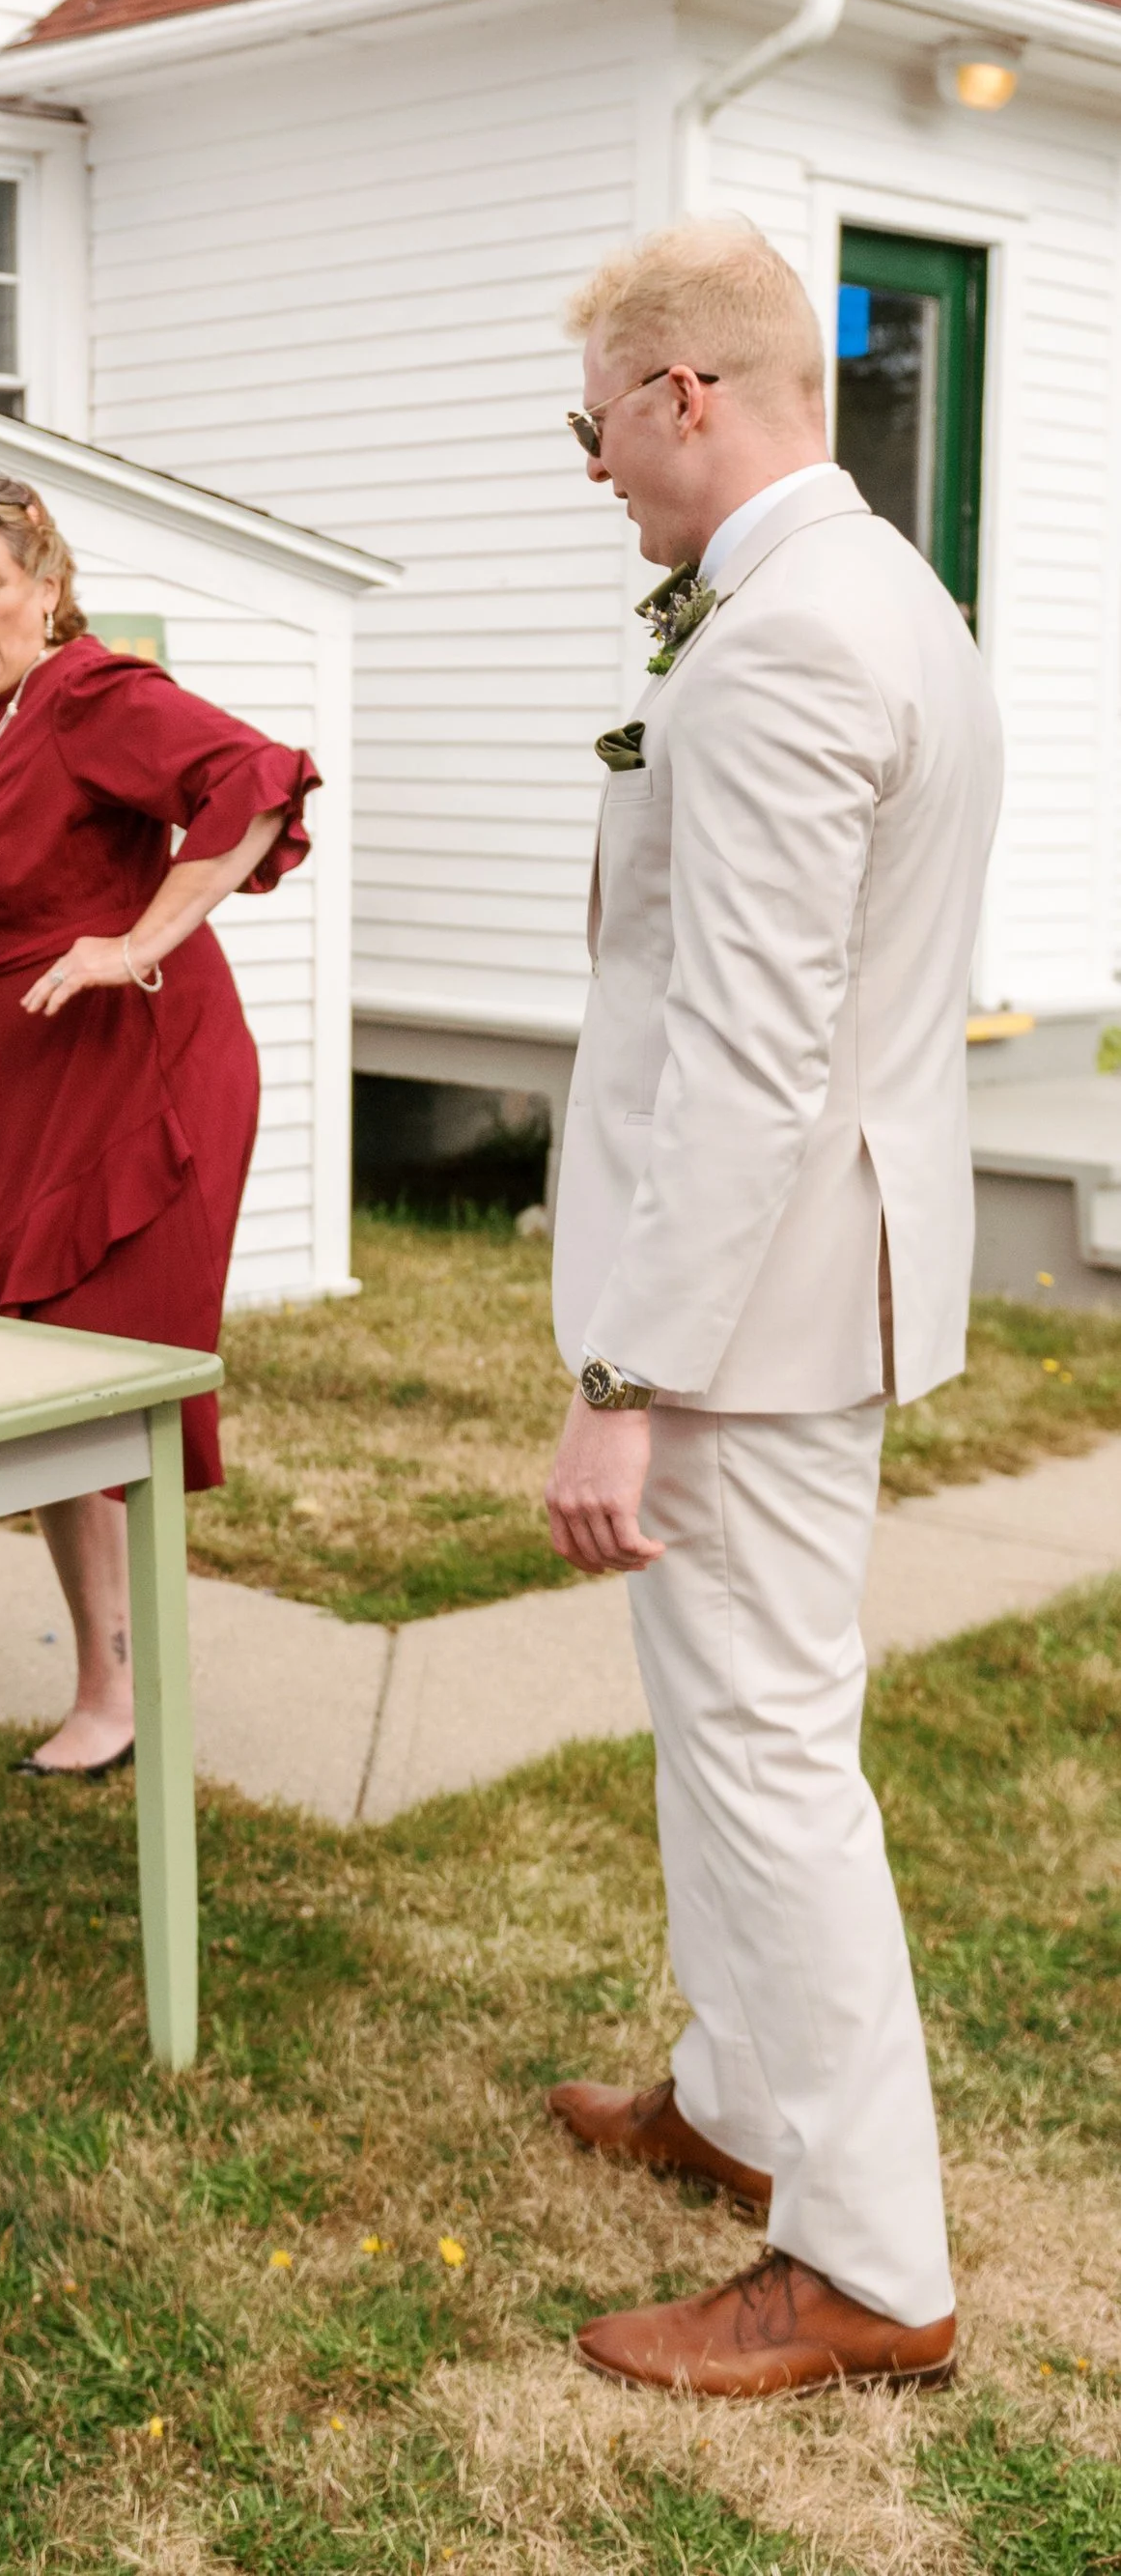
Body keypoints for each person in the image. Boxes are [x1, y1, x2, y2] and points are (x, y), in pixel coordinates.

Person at [540, 221, 1001, 2398]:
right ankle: (735, 2100)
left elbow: (750, 1053)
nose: (596, 472)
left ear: (685, 395)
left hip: (754, 1307)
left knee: (768, 1754)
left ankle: (865, 2258)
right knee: (725, 1730)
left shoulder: (787, 642)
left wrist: (627, 1373)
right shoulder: (881, 588)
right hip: (810, 1272)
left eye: (595, 429)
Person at [0, 477, 319, 1775]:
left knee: (72, 1388)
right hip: (2, 1086)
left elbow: (256, 783)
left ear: (48, 586)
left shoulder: (93, 696)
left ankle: (114, 1692)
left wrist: (136, 943)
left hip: (135, 1079)